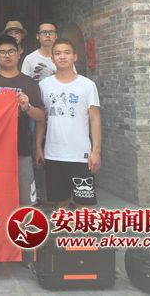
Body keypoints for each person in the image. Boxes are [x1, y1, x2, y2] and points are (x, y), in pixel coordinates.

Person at [0, 35, 45, 206]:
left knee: (25, 200)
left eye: (11, 51)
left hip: (21, 147)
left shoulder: (29, 83)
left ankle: (24, 223)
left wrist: (27, 107)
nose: (7, 55)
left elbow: (41, 116)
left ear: (19, 54)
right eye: (3, 52)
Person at [35, 38, 102, 209]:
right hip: (53, 154)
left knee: (83, 204)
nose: (62, 56)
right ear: (52, 58)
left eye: (67, 52)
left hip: (81, 155)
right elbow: (41, 118)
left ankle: (81, 228)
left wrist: (96, 151)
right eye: (57, 53)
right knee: (61, 202)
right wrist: (38, 147)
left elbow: (95, 119)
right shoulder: (44, 85)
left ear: (75, 57)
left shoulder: (87, 85)